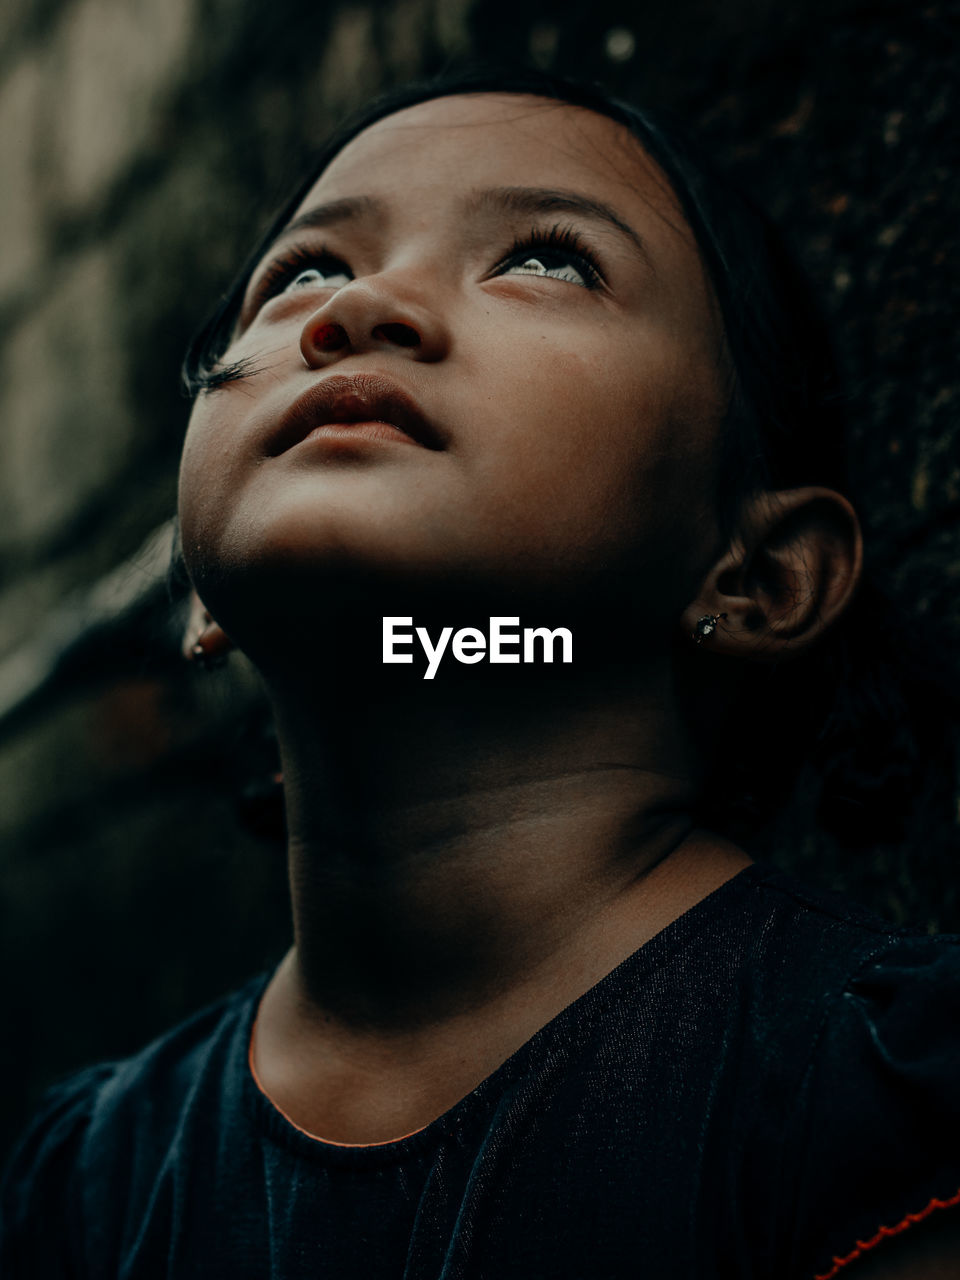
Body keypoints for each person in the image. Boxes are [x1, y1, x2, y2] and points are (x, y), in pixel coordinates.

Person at [2, 65, 959, 1279]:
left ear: (756, 574)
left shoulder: (879, 1100)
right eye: (304, 271)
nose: (359, 309)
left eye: (549, 259)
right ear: (201, 603)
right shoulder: (81, 1188)